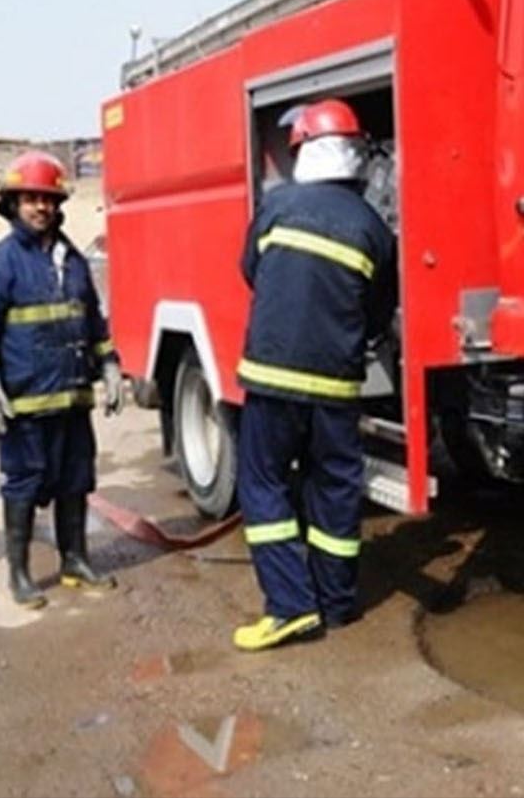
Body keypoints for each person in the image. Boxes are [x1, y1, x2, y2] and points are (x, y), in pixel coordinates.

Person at [232, 98, 397, 651]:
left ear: (304, 151)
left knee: (264, 486)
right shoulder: (374, 229)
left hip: (273, 378)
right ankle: (337, 602)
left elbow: (251, 271)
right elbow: (379, 312)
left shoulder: (279, 207)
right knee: (335, 491)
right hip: (337, 387)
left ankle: (290, 607)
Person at [0, 151, 125, 609]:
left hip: (72, 399)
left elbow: (92, 320)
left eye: (47, 199)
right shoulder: (1, 263)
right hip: (26, 404)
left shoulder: (71, 259)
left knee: (76, 480)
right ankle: (19, 573)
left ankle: (75, 559)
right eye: (30, 199)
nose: (40, 207)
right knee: (24, 484)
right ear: (14, 204)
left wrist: (109, 365)